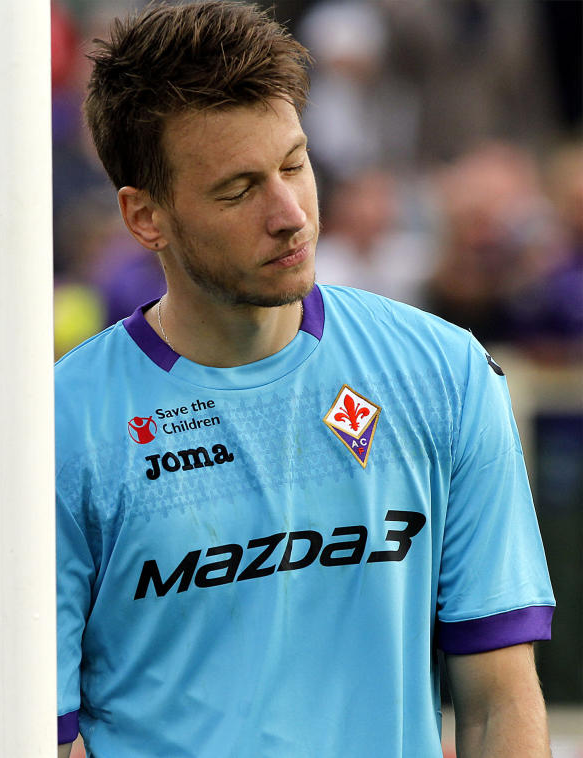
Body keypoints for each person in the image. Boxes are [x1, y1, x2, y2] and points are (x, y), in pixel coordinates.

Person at [54, 2, 555, 757]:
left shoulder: (442, 374)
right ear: (144, 216)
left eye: (294, 164)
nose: (289, 213)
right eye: (238, 189)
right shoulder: (64, 425)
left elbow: (497, 706)